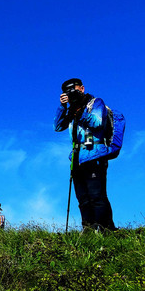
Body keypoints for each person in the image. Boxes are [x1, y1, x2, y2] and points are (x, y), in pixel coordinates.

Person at [55, 78, 116, 231]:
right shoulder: (71, 109)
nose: (70, 93)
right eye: (67, 92)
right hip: (77, 157)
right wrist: (63, 107)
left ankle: (104, 228)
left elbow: (97, 123)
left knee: (97, 195)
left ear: (81, 88)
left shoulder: (95, 103)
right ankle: (88, 229)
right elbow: (58, 126)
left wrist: (79, 110)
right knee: (83, 198)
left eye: (73, 90)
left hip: (94, 154)